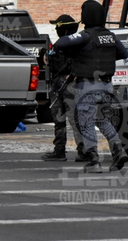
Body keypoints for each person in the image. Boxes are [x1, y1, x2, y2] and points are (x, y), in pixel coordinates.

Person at [53, 0, 128, 173]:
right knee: (102, 120)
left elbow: (61, 43)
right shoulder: (110, 36)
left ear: (86, 17)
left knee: (86, 123)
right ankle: (118, 150)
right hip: (107, 86)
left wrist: (79, 52)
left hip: (88, 86)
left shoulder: (85, 36)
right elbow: (123, 53)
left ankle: (94, 161)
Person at [41, 14, 88, 162]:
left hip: (69, 84)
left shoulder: (74, 44)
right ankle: (59, 150)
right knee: (59, 119)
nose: (56, 29)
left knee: (74, 119)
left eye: (58, 26)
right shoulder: (59, 44)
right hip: (57, 84)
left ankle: (83, 151)